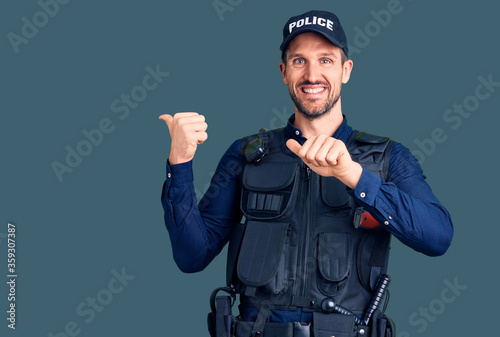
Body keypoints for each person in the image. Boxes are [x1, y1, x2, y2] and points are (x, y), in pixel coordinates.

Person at [159, 10, 453, 337]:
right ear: (284, 72)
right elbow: (192, 256)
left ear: (346, 70)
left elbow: (437, 236)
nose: (312, 75)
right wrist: (180, 163)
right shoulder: (246, 154)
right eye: (299, 61)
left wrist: (356, 177)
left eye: (326, 60)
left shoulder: (387, 158)